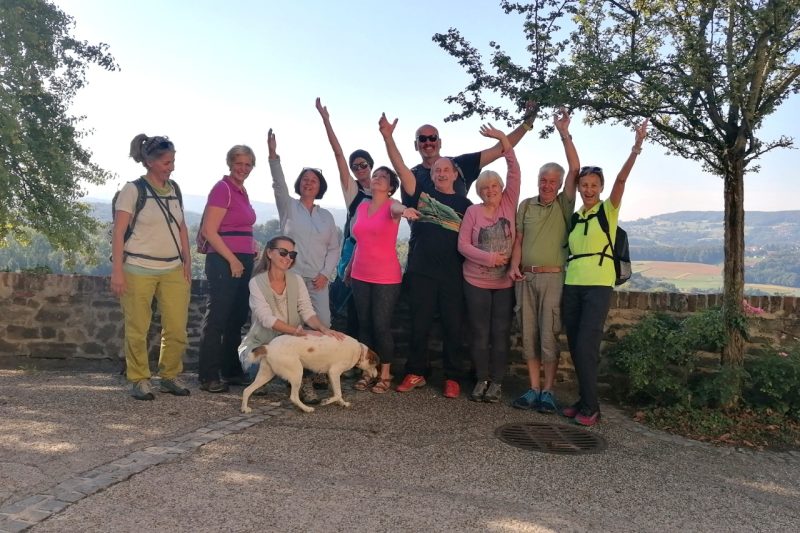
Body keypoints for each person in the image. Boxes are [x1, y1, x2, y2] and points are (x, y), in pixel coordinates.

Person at [561, 119, 649, 426]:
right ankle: (584, 400)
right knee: (575, 345)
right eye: (584, 185)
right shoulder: (575, 216)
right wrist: (565, 134)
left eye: (593, 186)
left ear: (600, 187)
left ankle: (593, 408)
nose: (587, 190)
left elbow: (622, 182)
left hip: (597, 286)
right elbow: (572, 169)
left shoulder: (607, 211)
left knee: (586, 346)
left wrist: (635, 149)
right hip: (571, 284)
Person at [380, 113, 472, 399]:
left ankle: (453, 377)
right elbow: (399, 167)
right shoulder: (419, 195)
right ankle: (416, 372)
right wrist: (387, 138)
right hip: (421, 271)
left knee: (452, 328)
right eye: (437, 171)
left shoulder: (466, 205)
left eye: (447, 170)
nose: (442, 173)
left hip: (453, 274)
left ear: (456, 175)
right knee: (418, 325)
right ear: (431, 175)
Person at [507, 109, 578, 413]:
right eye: (542, 180)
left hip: (553, 279)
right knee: (529, 335)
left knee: (550, 335)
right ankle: (533, 389)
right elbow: (519, 241)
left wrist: (563, 133)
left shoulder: (564, 204)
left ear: (559, 184)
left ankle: (548, 391)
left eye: (552, 181)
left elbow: (575, 167)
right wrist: (513, 265)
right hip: (526, 277)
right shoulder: (526, 205)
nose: (546, 185)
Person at [111, 134, 191, 400]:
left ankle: (169, 375)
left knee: (177, 327)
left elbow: (181, 228)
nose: (172, 166)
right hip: (137, 268)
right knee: (137, 328)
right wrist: (118, 272)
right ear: (150, 162)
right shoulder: (133, 190)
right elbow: (119, 232)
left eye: (173, 161)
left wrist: (187, 263)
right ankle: (139, 379)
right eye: (167, 162)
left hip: (173, 270)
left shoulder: (175, 189)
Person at [457, 124, 521, 403]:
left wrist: (503, 140)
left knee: (500, 332)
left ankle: (496, 382)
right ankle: (481, 378)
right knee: (480, 332)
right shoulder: (472, 211)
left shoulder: (509, 202)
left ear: (501, 188)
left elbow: (514, 169)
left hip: (504, 282)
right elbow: (463, 245)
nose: (491, 190)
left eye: (494, 186)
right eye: (485, 187)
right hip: (475, 281)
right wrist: (490, 258)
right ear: (480, 191)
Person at [238, 236, 344, 400]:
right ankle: (275, 378)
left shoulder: (297, 280)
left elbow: (307, 311)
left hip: (292, 339)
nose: (288, 258)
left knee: (309, 346)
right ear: (269, 253)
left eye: (292, 255)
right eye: (283, 252)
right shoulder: (256, 282)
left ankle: (301, 381)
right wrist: (297, 332)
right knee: (257, 365)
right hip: (263, 342)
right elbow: (266, 319)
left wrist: (324, 329)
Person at [349, 164, 418, 394]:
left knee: (381, 325)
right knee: (365, 324)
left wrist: (406, 210)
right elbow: (359, 240)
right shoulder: (362, 206)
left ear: (390, 187)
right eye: (376, 175)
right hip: (360, 273)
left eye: (383, 177)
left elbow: (399, 209)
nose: (378, 178)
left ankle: (386, 373)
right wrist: (349, 267)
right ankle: (368, 371)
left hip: (386, 277)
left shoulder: (392, 205)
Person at [196, 145, 259, 393]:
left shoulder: (241, 191)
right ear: (230, 163)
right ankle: (208, 375)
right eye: (239, 163)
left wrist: (250, 245)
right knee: (218, 318)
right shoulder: (222, 189)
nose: (243, 168)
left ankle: (230, 370)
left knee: (236, 317)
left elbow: (239, 226)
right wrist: (233, 259)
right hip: (224, 260)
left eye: (248, 164)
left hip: (242, 258)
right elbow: (209, 230)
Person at [267, 129, 340, 328]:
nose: (308, 183)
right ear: (299, 184)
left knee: (323, 324)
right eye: (305, 180)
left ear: (320, 187)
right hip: (290, 277)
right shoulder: (288, 207)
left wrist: (325, 274)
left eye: (313, 181)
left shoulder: (326, 217)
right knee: (290, 324)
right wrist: (273, 156)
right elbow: (279, 184)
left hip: (317, 282)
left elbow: (334, 248)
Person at [315, 97, 372, 338]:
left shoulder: (383, 191)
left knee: (370, 313)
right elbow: (338, 154)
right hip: (353, 257)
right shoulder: (353, 191)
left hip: (375, 258)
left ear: (370, 165)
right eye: (355, 166)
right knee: (352, 311)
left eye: (363, 164)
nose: (359, 169)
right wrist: (326, 121)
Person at [411, 103, 536, 197]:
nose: (428, 142)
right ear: (416, 145)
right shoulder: (411, 175)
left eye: (433, 138)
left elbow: (500, 149)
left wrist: (526, 124)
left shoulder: (460, 164)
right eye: (422, 139)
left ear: (439, 143)